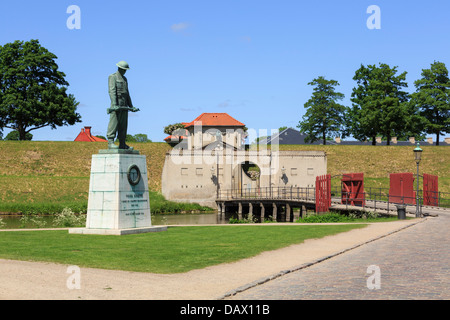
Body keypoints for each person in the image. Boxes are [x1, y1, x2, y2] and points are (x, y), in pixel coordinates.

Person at [106, 60, 139, 149]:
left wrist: (131, 106)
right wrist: (114, 104)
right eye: (124, 69)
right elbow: (112, 91)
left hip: (124, 105)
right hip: (116, 104)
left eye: (125, 70)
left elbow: (127, 93)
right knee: (114, 123)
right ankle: (110, 142)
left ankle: (122, 143)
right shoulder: (112, 77)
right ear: (119, 68)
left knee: (123, 125)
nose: (125, 71)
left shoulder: (124, 79)